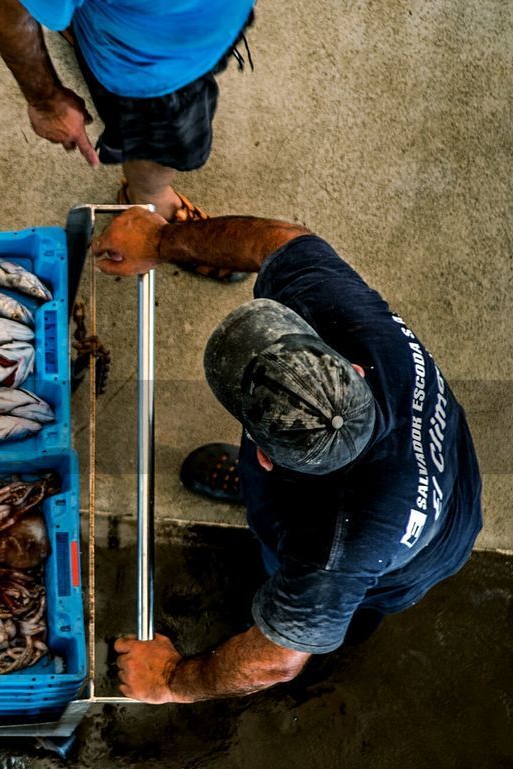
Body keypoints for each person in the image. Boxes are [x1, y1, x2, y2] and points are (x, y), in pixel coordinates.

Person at [90, 208, 483, 703]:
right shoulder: (362, 331)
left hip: (417, 548)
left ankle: (314, 580)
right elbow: (278, 242)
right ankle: (263, 508)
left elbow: (275, 660)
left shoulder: (332, 553)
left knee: (324, 601)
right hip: (434, 465)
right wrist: (161, 239)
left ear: (268, 461)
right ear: (353, 369)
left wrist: (170, 680)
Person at [0, 0, 255, 280]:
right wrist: (46, 99)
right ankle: (149, 198)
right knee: (162, 150)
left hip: (192, 33)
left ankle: (79, 21)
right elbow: (8, 4)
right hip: (151, 75)